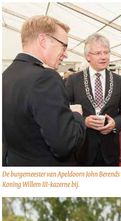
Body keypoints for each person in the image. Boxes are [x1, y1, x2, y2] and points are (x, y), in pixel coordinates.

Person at [2, 15, 85, 165]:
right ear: (43, 41)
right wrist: (77, 116)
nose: (65, 53)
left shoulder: (7, 75)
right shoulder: (46, 78)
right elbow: (65, 144)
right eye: (63, 46)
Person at [63, 35, 121, 166]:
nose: (104, 57)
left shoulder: (119, 81)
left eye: (106, 52)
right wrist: (83, 121)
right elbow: (64, 109)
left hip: (110, 149)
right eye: (98, 53)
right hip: (82, 148)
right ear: (88, 56)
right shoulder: (74, 80)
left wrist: (115, 124)